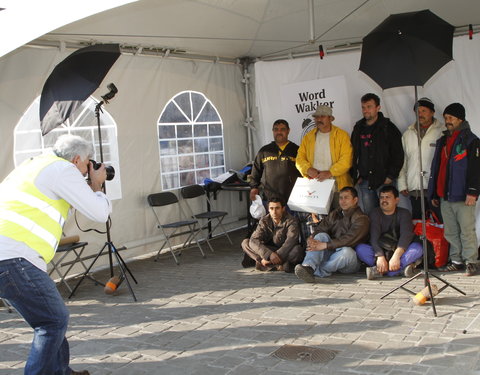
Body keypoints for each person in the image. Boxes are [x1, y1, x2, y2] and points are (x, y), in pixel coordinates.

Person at [0, 134, 112, 375]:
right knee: (52, 321)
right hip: (13, 257)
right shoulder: (64, 170)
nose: (87, 169)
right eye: (87, 163)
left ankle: (61, 372)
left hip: (10, 256)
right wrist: (98, 186)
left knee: (50, 317)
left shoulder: (34, 164)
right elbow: (100, 214)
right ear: (76, 159)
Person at [428, 103, 480, 276]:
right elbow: (437, 168)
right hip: (445, 195)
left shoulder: (472, 141)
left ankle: (471, 261)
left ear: (460, 119)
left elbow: (476, 169)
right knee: (450, 230)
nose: (447, 121)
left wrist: (473, 192)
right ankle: (456, 260)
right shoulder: (443, 140)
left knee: (467, 230)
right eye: (446, 118)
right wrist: (434, 193)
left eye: (450, 118)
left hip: (463, 195)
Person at [294, 186, 369, 283]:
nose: (343, 201)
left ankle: (318, 271)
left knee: (346, 251)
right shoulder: (335, 213)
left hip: (350, 259)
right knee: (321, 236)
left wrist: (325, 245)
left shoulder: (361, 218)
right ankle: (308, 267)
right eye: (341, 198)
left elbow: (348, 239)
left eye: (346, 198)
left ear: (355, 200)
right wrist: (312, 238)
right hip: (332, 252)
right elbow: (321, 228)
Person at [350, 93, 404, 215]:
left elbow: (398, 154)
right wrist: (355, 175)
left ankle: (390, 235)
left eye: (369, 106)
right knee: (370, 215)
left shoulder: (388, 128)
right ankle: (374, 235)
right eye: (363, 107)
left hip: (384, 180)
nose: (366, 110)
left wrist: (390, 176)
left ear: (378, 107)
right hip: (365, 181)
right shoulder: (358, 128)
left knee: (388, 214)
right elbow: (353, 153)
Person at [356, 185, 423, 280]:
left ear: (396, 200)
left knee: (418, 248)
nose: (384, 200)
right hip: (382, 249)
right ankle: (399, 270)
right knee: (360, 249)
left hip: (400, 251)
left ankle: (381, 271)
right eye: (382, 197)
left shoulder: (404, 213)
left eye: (388, 197)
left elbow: (406, 236)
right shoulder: (375, 213)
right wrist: (380, 256)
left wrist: (396, 257)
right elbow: (374, 237)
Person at [398, 97, 444, 220]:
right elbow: (404, 161)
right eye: (418, 111)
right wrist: (402, 184)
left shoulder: (442, 132)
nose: (420, 114)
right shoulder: (408, 134)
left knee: (439, 223)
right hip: (416, 189)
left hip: (435, 189)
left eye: (424, 110)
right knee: (418, 224)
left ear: (432, 112)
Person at [296, 105, 353, 202]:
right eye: (317, 117)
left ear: (330, 118)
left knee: (339, 216)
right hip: (315, 187)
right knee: (317, 217)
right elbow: (299, 159)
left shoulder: (342, 135)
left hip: (338, 188)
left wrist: (330, 172)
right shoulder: (308, 137)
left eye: (322, 116)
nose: (319, 119)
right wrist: (307, 169)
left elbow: (346, 160)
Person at [241, 197, 303, 272]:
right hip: (268, 251)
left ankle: (268, 265)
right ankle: (269, 263)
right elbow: (254, 239)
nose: (274, 212)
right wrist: (269, 254)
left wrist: (275, 256)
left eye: (277, 208)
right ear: (268, 209)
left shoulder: (291, 221)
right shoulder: (264, 220)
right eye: (271, 208)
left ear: (283, 209)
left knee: (297, 250)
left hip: (283, 252)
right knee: (246, 242)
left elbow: (291, 241)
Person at [249, 119, 301, 204]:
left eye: (282, 129)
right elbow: (256, 170)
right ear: (273, 131)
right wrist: (254, 187)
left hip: (292, 199)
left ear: (288, 131)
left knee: (291, 218)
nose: (279, 132)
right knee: (269, 218)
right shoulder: (264, 151)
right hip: (270, 200)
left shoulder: (297, 150)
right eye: (276, 129)